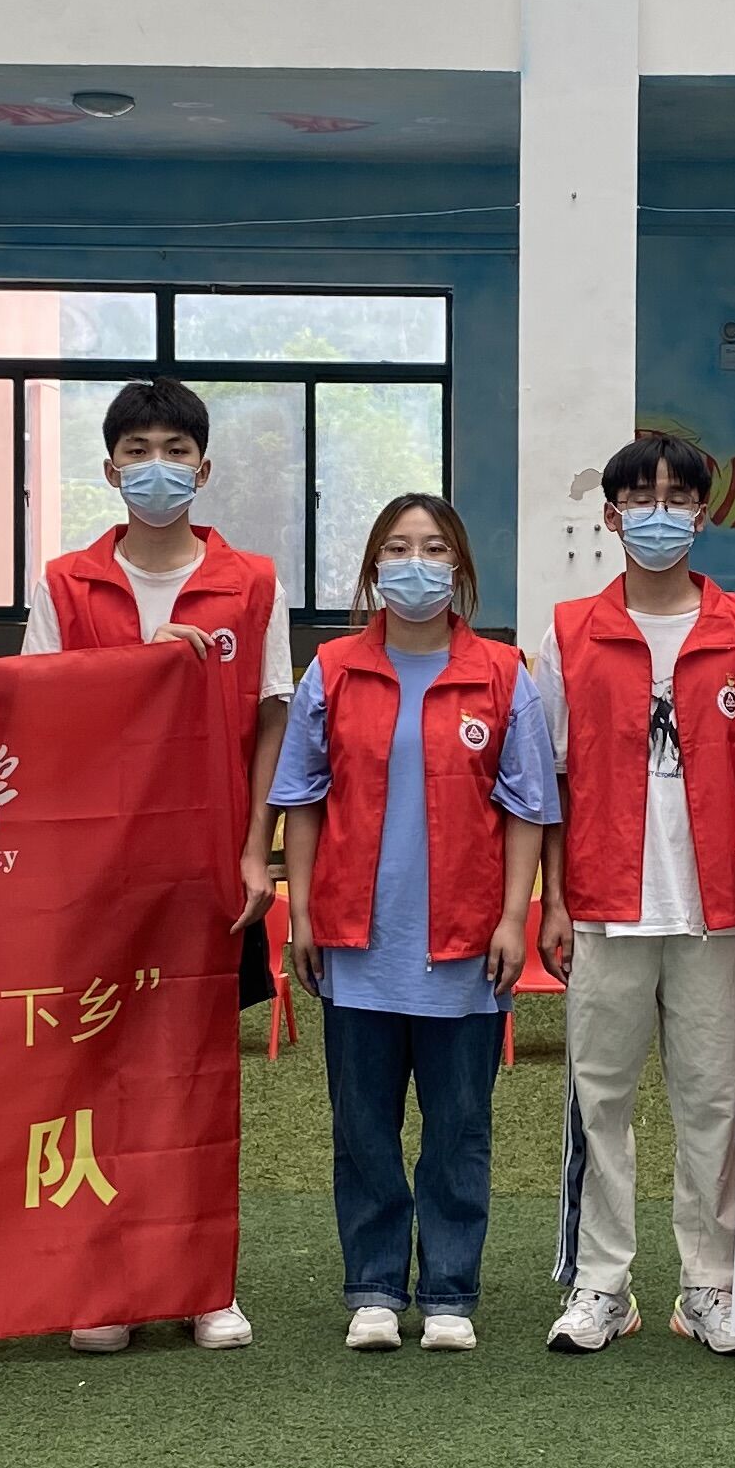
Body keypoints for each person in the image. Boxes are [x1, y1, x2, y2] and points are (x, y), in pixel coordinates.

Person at [24, 376, 289, 1353]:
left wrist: (254, 850)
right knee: (96, 1070)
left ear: (204, 469)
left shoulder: (252, 584)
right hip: (95, 873)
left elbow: (272, 722)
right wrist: (140, 663)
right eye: (137, 451)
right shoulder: (64, 583)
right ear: (109, 469)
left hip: (207, 869)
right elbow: (38, 713)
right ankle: (107, 1284)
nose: (157, 468)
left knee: (194, 1074)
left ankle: (200, 1281)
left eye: (175, 451)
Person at [273, 495, 557, 1354]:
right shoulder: (332, 672)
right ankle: (373, 1286)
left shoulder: (503, 675)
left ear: (459, 566)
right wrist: (304, 912)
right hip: (357, 941)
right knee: (363, 1126)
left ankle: (447, 1291)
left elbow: (527, 808)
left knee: (458, 1127)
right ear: (372, 568)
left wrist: (513, 918)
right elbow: (302, 799)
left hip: (466, 946)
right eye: (397, 548)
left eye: (434, 548)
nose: (415, 564)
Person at [539, 432, 735, 1358]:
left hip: (717, 902)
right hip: (605, 898)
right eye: (642, 499)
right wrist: (556, 901)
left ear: (703, 515)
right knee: (599, 1099)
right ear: (611, 515)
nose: (660, 514)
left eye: (678, 498)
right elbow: (549, 782)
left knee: (712, 1100)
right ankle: (602, 1283)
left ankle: (709, 1282)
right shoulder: (569, 631)